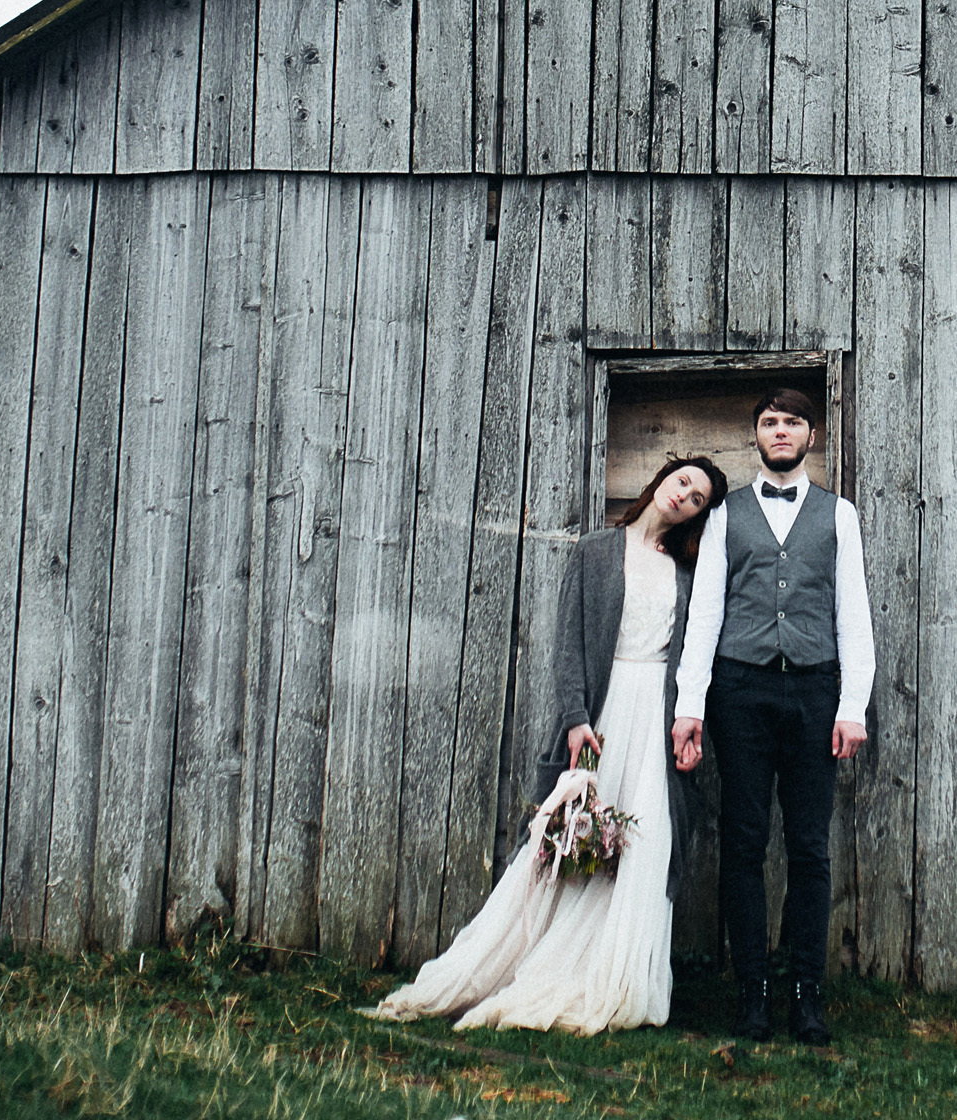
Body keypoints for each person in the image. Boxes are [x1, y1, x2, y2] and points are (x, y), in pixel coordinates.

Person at [364, 454, 729, 1034]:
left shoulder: (690, 575)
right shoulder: (595, 552)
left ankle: (618, 980)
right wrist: (575, 718)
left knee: (645, 848)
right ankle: (527, 967)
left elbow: (695, 657)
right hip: (603, 719)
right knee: (575, 848)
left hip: (656, 724)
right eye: (682, 481)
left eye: (698, 498)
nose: (684, 496)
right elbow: (567, 645)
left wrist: (691, 721)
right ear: (661, 479)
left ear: (700, 516)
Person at [671, 388, 873, 1045]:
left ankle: (805, 996)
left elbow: (853, 614)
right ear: (755, 435)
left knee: (810, 850)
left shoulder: (837, 515)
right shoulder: (727, 514)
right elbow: (704, 613)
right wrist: (690, 704)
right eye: (768, 422)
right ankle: (752, 994)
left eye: (791, 422)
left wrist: (852, 705)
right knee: (743, 843)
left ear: (810, 436)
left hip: (814, 693)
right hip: (739, 691)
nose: (779, 432)